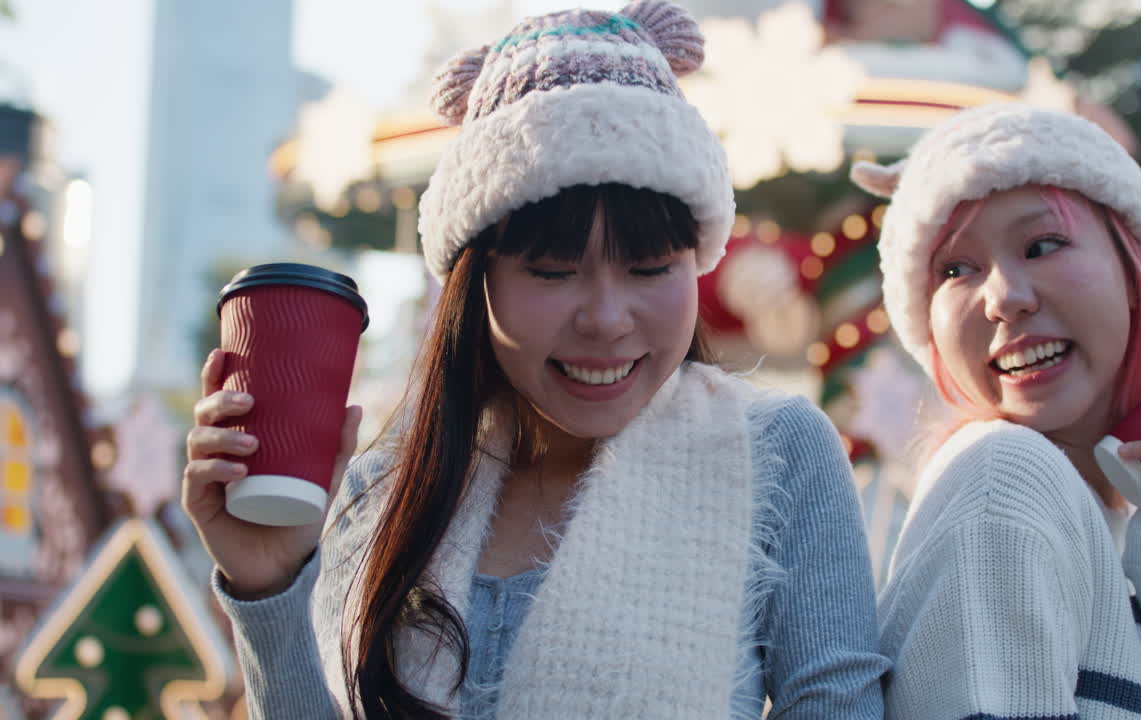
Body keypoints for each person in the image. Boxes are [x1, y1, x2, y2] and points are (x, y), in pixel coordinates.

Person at [183, 2, 889, 718]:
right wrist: (268, 588)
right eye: (553, 271)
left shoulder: (778, 454)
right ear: (475, 281)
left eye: (649, 267)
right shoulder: (383, 491)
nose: (607, 319)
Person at [850, 102, 1141, 718]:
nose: (1004, 298)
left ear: (1134, 275)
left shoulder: (1099, 516)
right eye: (954, 268)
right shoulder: (1005, 475)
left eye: (1042, 244)